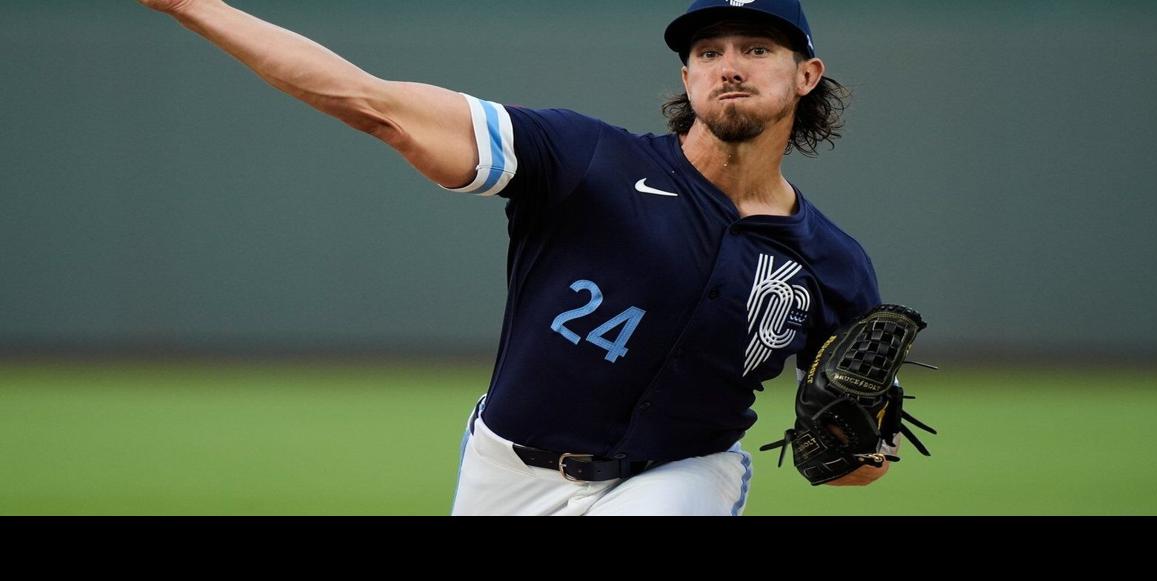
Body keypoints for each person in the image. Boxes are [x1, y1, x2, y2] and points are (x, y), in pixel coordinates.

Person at [138, 0, 896, 515]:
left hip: (679, 475)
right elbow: (369, 101)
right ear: (688, 77)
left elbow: (865, 464)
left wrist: (849, 443)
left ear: (806, 75)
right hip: (504, 470)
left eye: (757, 47)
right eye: (709, 50)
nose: (730, 64)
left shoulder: (831, 263)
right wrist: (189, 6)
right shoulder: (585, 158)